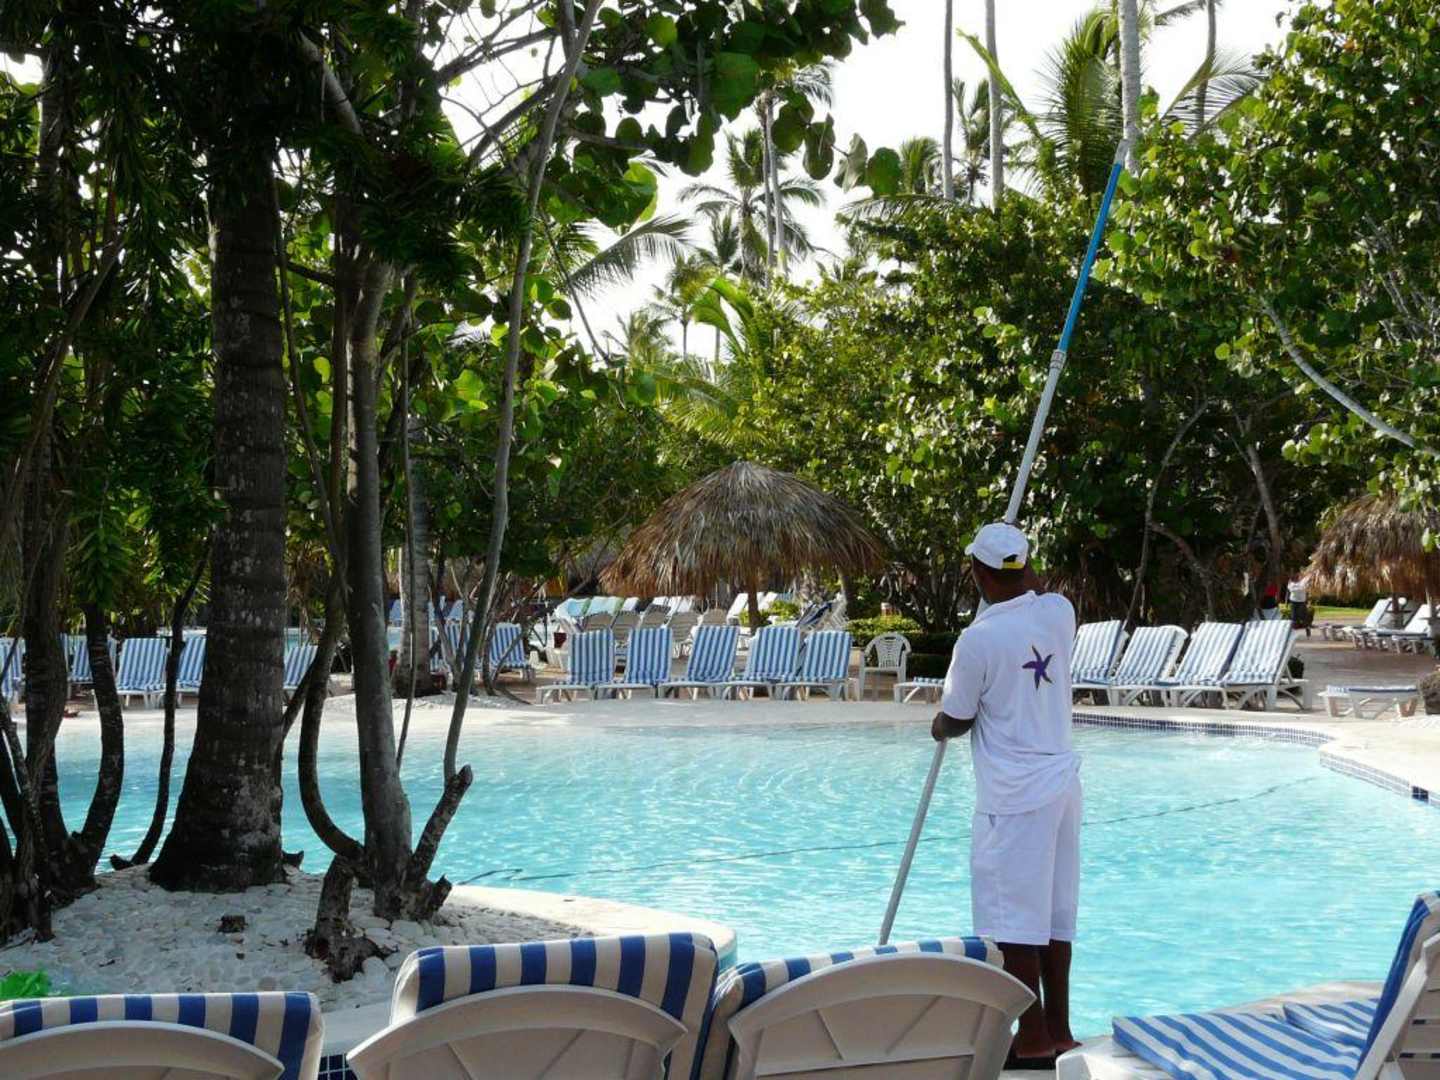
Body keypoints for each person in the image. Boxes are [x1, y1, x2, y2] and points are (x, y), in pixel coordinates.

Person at [931, 522, 1082, 1070]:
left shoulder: (978, 640)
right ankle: (1060, 1030)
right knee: (1054, 917)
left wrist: (936, 726)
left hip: (1014, 795)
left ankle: (1033, 1038)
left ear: (978, 572)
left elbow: (956, 718)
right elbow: (1032, 591)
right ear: (1025, 564)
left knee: (1013, 923)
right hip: (1062, 783)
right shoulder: (1059, 613)